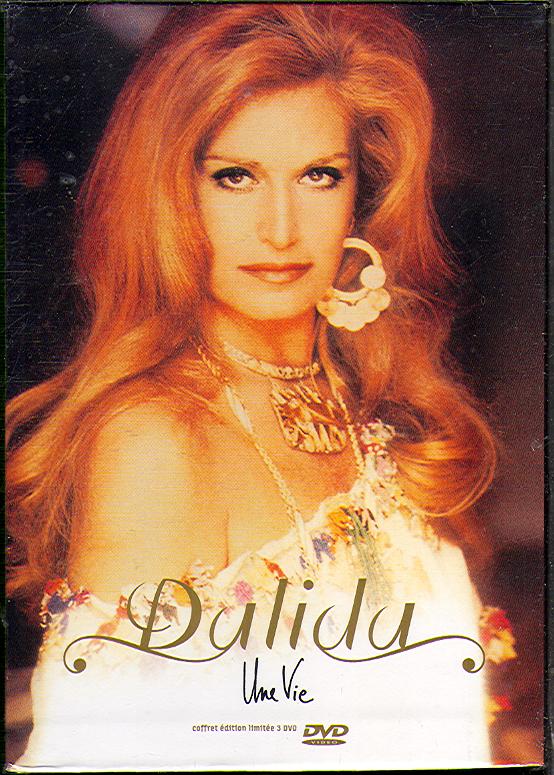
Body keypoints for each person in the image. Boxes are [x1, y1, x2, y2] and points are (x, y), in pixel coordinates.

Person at [7, 5, 514, 770]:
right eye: (235, 176)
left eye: (318, 175)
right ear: (173, 194)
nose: (280, 228)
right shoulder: (156, 441)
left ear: (361, 192)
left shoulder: (367, 405)